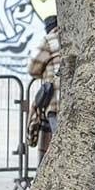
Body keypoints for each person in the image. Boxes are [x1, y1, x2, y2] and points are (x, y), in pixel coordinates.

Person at [27, 15, 63, 160]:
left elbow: (33, 68)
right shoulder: (75, 36)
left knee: (57, 140)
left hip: (56, 101)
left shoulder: (50, 39)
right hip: (75, 100)